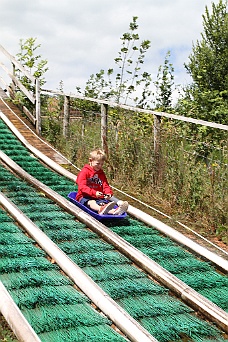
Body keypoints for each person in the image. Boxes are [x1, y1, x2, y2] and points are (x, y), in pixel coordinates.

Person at [76, 149, 128, 215]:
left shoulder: (101, 173)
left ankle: (114, 211)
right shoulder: (85, 172)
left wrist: (108, 193)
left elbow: (105, 185)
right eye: (98, 163)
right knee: (91, 202)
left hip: (98, 197)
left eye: (102, 164)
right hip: (85, 196)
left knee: (103, 203)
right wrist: (94, 193)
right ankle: (101, 209)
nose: (100, 166)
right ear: (90, 161)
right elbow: (82, 186)